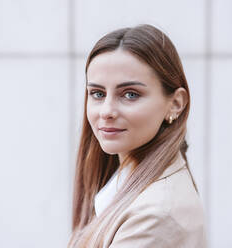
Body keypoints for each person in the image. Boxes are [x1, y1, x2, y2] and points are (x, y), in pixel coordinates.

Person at [68, 24, 207, 248]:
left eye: (130, 94)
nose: (106, 111)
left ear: (176, 104)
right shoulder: (124, 185)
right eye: (97, 93)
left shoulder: (155, 215)